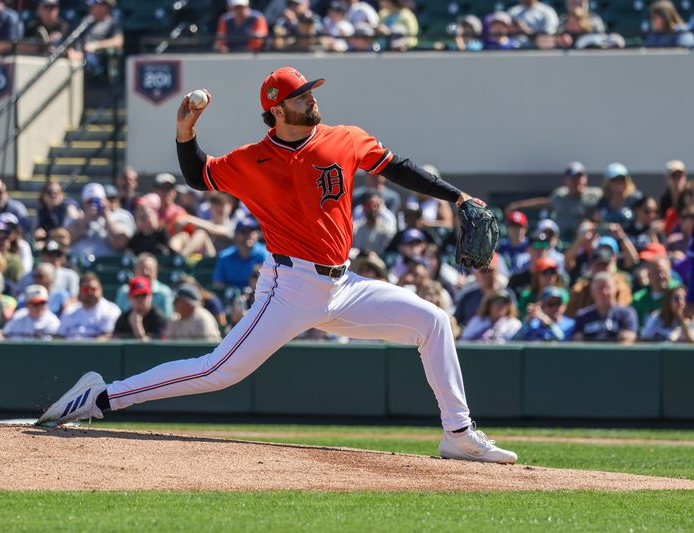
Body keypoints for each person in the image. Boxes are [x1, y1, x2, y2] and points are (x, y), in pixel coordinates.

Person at [37, 67, 518, 465]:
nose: (311, 99)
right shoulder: (252, 160)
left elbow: (397, 166)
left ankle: (457, 434)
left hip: (342, 283)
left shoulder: (344, 138)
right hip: (288, 287)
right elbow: (199, 175)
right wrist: (186, 133)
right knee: (218, 371)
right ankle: (101, 398)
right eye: (300, 96)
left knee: (432, 320)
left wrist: (456, 195)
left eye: (309, 92)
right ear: (276, 110)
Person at [506, 161, 602, 241]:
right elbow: (544, 203)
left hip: (583, 241)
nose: (578, 181)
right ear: (566, 180)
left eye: (580, 177)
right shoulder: (560, 195)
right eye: (574, 178)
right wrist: (517, 206)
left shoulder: (595, 195)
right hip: (559, 240)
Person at [67, 183, 134, 258]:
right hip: (78, 263)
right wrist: (85, 220)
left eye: (98, 201)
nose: (94, 205)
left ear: (105, 201)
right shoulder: (76, 218)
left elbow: (119, 243)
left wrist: (106, 216)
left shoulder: (120, 216)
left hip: (106, 264)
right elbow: (65, 240)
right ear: (83, 204)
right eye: (90, 202)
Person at [572, 271, 638, 343]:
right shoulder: (583, 315)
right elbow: (577, 341)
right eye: (600, 288)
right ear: (592, 292)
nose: (605, 292)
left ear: (615, 289)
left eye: (608, 287)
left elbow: (629, 338)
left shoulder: (626, 313)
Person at [56, 272, 121, 340]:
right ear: (80, 291)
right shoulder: (70, 311)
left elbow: (108, 336)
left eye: (93, 289)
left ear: (100, 289)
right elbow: (59, 337)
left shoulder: (111, 310)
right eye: (85, 289)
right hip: (69, 349)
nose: (89, 293)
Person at [212, 217, 268, 289]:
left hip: (257, 297)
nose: (248, 236)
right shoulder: (225, 256)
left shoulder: (266, 255)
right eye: (243, 232)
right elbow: (217, 284)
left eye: (251, 231)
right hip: (231, 297)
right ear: (235, 235)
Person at [114, 253, 174, 317]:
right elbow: (118, 316)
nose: (146, 272)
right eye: (142, 269)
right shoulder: (124, 291)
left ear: (156, 272)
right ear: (135, 270)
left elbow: (168, 318)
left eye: (150, 270)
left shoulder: (164, 292)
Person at [112, 276, 167, 341]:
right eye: (136, 296)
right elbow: (116, 343)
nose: (140, 300)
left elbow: (161, 347)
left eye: (144, 295)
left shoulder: (159, 318)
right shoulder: (123, 319)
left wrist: (139, 331)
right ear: (129, 297)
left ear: (151, 296)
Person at [632, 255, 679, 326]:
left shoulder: (678, 294)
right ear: (649, 275)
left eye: (664, 272)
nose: (661, 275)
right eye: (656, 272)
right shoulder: (639, 299)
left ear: (670, 272)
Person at [593, 162, 644, 228]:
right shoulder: (602, 202)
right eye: (614, 180)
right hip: (609, 237)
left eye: (622, 179)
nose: (619, 182)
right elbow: (597, 222)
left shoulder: (636, 199)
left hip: (631, 237)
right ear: (607, 183)